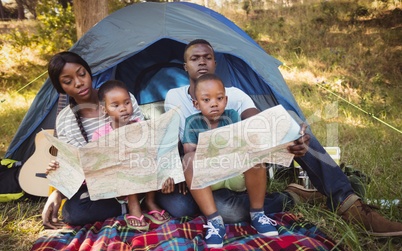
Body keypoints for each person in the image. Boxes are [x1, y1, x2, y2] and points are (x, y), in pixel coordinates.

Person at [164, 39, 402, 237]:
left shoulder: (234, 95)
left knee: (297, 132)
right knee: (191, 208)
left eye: (207, 57)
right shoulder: (174, 97)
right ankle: (292, 197)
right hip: (204, 175)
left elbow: (261, 124)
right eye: (195, 58)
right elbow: (174, 143)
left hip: (240, 168)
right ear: (185, 66)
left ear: (215, 63)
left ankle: (347, 201)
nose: (202, 61)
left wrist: (289, 137)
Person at [42, 51, 146, 228]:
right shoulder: (66, 120)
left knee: (181, 205)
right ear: (61, 88)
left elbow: (143, 137)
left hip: (137, 172)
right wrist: (57, 193)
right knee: (73, 213)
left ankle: (138, 199)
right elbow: (73, 164)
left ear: (89, 72)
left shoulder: (119, 98)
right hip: (102, 185)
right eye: (68, 81)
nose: (79, 83)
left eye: (82, 74)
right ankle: (132, 204)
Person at [182, 74, 279, 248]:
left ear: (226, 100)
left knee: (254, 153)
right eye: (206, 99)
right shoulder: (192, 122)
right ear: (196, 104)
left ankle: (258, 213)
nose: (214, 103)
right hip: (209, 179)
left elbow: (239, 145)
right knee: (188, 160)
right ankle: (214, 221)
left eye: (219, 98)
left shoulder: (232, 115)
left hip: (234, 173)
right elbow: (190, 152)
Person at [91, 80, 170, 230]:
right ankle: (133, 204)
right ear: (104, 109)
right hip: (121, 186)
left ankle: (150, 200)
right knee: (125, 154)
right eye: (115, 105)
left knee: (147, 150)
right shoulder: (100, 135)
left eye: (126, 103)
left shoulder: (140, 125)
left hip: (146, 182)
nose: (123, 108)